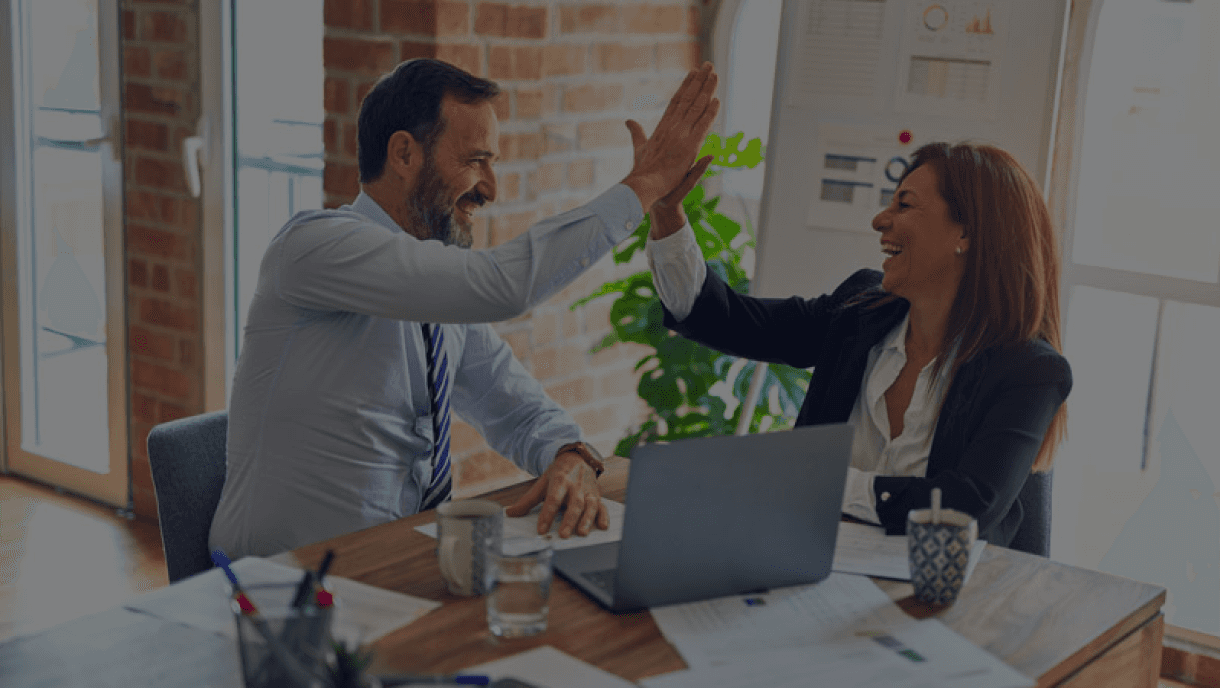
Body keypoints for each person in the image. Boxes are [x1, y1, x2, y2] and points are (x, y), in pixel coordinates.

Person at [209, 58, 720, 558]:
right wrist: (646, 183)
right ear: (404, 155)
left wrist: (569, 454)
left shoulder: (436, 295)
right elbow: (503, 285)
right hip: (278, 588)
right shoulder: (314, 247)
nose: (490, 189)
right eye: (476, 160)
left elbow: (514, 407)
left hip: (394, 567)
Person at [644, 141, 1071, 547]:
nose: (880, 220)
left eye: (904, 204)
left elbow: (965, 507)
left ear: (966, 234)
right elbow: (729, 320)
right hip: (812, 568)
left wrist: (820, 481)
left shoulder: (1028, 371)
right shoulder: (860, 311)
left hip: (947, 602)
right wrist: (667, 214)